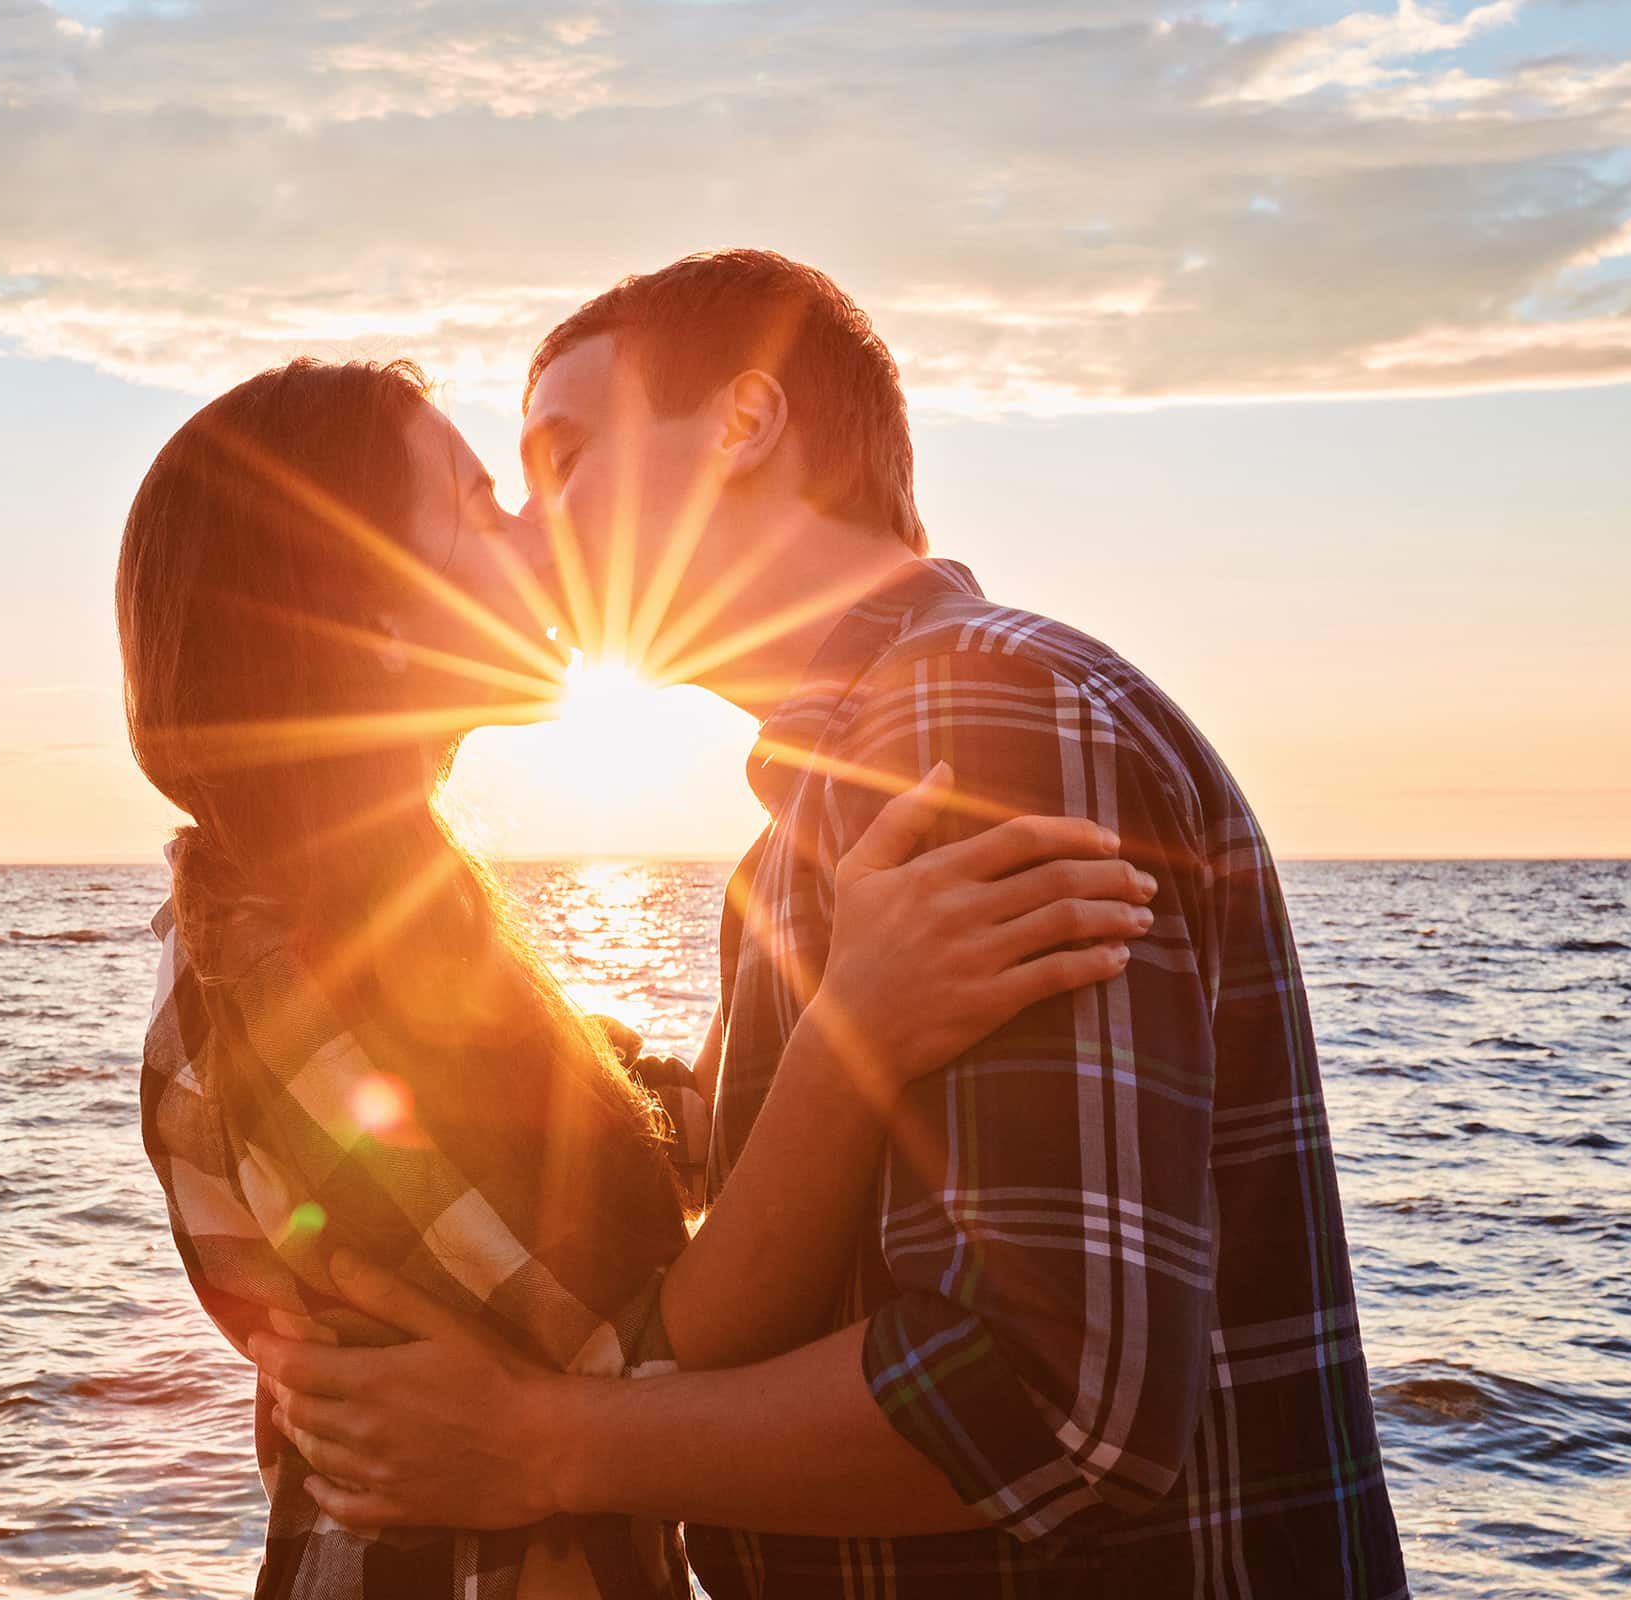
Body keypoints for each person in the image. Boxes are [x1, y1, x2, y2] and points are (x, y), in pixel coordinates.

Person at [249, 252, 1409, 1599]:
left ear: (745, 423)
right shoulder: (811, 829)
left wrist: (547, 1447)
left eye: (565, 461)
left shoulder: (981, 716)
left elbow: (1046, 1402)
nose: (531, 528)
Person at [117, 356, 1159, 1598]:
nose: (538, 533)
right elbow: (648, 1351)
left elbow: (632, 1155)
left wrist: (800, 933)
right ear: (376, 616)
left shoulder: (395, 916)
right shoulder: (286, 971)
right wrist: (851, 1035)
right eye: (482, 501)